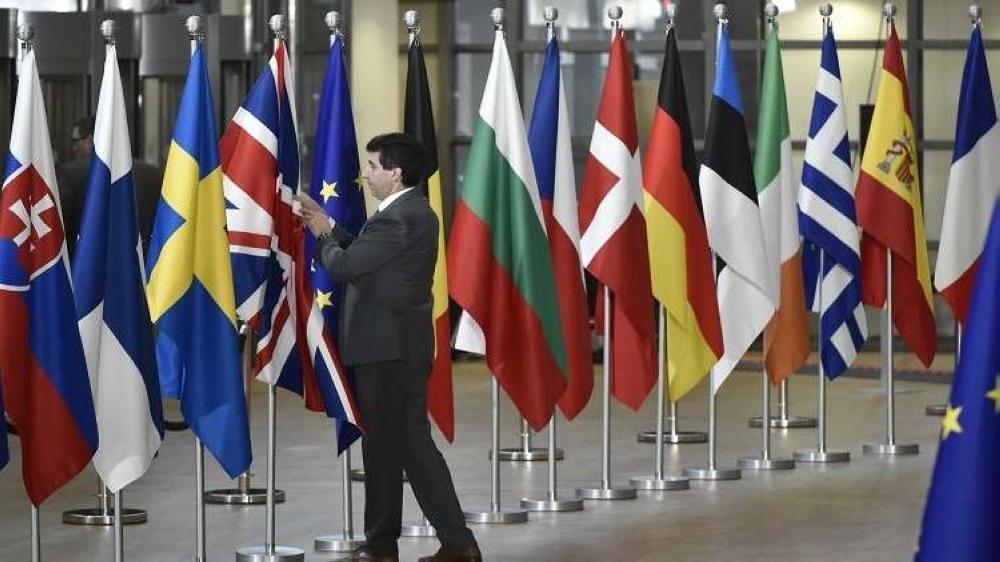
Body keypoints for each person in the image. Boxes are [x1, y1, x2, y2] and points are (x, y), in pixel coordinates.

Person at [296, 133, 481, 562]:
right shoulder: (404, 214)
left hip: (388, 351)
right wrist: (328, 223)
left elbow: (347, 265)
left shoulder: (402, 217)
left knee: (401, 448)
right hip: (391, 349)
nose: (366, 173)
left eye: (373, 166)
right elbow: (367, 256)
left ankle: (427, 544)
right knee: (395, 448)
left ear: (395, 173)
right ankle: (427, 544)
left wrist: (323, 237)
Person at [56, 116, 163, 259]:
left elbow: (60, 233)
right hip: (144, 267)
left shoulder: (71, 174)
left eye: (76, 141)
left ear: (90, 141)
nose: (74, 148)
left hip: (89, 266)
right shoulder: (154, 175)